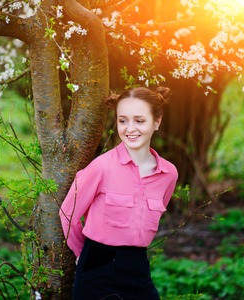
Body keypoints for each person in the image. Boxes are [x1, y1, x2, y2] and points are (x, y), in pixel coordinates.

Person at [59, 86, 178, 300]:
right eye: (123, 120)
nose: (130, 128)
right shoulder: (101, 167)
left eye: (139, 121)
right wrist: (83, 255)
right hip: (97, 265)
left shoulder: (168, 174)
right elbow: (68, 215)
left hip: (138, 265)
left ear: (157, 122)